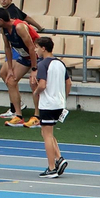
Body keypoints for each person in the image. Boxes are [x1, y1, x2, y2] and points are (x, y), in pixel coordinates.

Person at [0, 7, 41, 127]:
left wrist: (34, 69)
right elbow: (7, 48)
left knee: (33, 82)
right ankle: (18, 116)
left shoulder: (19, 27)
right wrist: (10, 68)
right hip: (24, 56)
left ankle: (37, 116)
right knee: (11, 80)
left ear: (1, 20)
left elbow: (31, 47)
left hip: (38, 55)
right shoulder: (3, 30)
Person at [30, 36, 70, 178]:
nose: (35, 50)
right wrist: (63, 97)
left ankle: (52, 167)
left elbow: (42, 85)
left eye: (36, 47)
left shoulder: (42, 64)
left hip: (48, 104)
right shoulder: (60, 63)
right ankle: (59, 158)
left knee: (47, 135)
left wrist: (35, 93)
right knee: (48, 132)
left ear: (43, 48)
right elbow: (68, 83)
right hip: (59, 103)